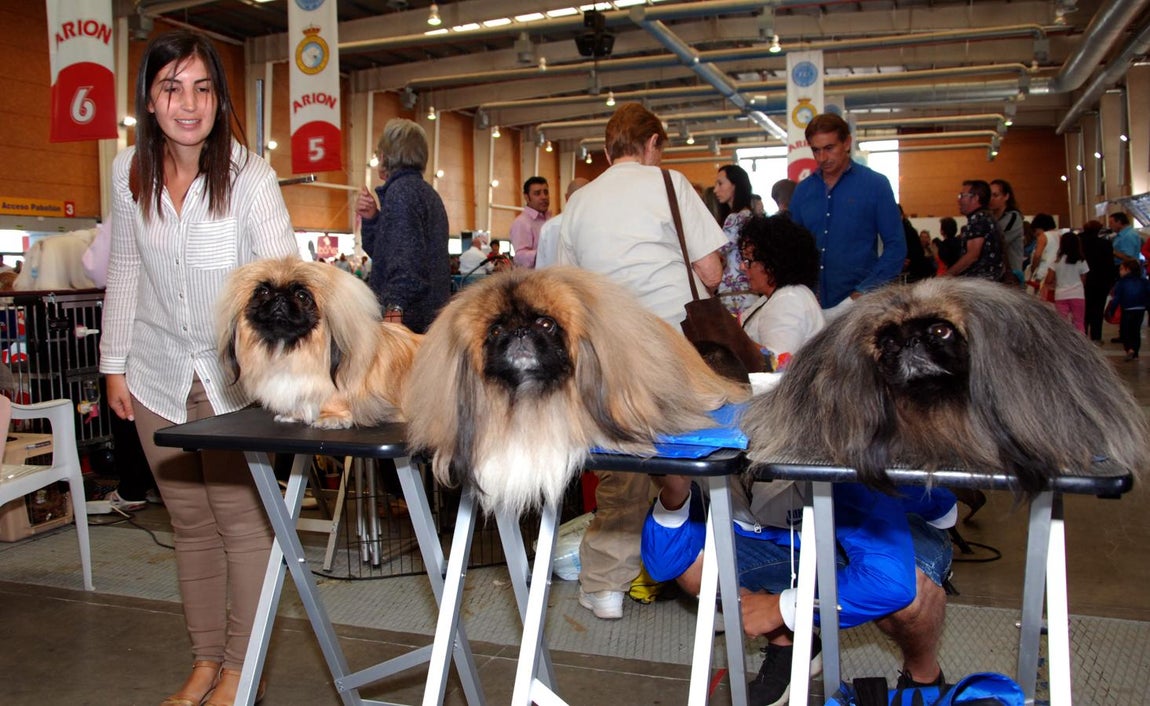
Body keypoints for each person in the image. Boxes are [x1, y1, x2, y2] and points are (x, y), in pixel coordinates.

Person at [100, 30, 300, 706]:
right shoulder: (129, 172)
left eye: (202, 88)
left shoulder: (250, 176)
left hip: (236, 385)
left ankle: (243, 670)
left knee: (243, 528)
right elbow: (125, 272)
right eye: (171, 88)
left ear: (218, 98)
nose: (188, 104)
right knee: (188, 525)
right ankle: (204, 661)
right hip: (156, 374)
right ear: (150, 101)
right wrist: (113, 366)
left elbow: (281, 276)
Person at [556, 102, 726, 620]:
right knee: (695, 458)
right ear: (653, 143)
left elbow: (564, 291)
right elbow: (713, 273)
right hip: (672, 343)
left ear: (609, 150)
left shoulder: (580, 201)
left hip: (609, 349)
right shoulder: (672, 185)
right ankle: (704, 577)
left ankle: (606, 585)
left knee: (621, 468)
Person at [642, 475, 955, 705]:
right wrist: (674, 493)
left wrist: (781, 607)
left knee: (909, 593)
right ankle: (789, 644)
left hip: (893, 519)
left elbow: (890, 582)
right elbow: (664, 564)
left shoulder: (831, 424)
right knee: (697, 563)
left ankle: (924, 677)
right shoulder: (710, 426)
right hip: (784, 533)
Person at [789, 114, 905, 318]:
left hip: (861, 304)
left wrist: (863, 293)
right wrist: (803, 291)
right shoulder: (802, 191)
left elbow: (896, 247)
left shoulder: (875, 185)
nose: (822, 158)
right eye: (816, 150)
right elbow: (793, 250)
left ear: (847, 143)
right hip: (811, 305)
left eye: (829, 148)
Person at [355, 118, 451, 334]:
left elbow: (406, 260)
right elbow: (387, 254)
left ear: (386, 155)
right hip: (426, 314)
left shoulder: (401, 193)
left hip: (408, 318)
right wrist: (372, 219)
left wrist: (394, 306)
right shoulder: (425, 192)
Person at [736, 215, 824, 369]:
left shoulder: (788, 300)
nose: (742, 267)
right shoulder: (774, 296)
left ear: (772, 264)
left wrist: (732, 339)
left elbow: (776, 367)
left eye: (748, 260)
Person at [714, 164, 757, 319]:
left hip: (736, 294)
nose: (715, 190)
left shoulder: (737, 217)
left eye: (720, 183)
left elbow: (718, 250)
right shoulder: (748, 215)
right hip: (746, 291)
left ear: (735, 185)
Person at [944, 180, 1004, 281]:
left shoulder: (978, 219)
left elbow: (972, 255)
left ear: (975, 198)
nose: (959, 200)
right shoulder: (987, 217)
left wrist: (946, 276)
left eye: (962, 196)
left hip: (980, 284)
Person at [535, 177, 589, 269]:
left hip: (551, 282)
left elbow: (540, 268)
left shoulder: (548, 227)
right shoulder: (594, 225)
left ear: (566, 197)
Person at [1044, 230, 1089, 333]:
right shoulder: (1081, 261)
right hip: (1078, 294)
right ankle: (1081, 345)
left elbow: (1049, 279)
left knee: (1062, 324)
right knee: (1079, 322)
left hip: (1061, 295)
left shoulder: (1056, 261)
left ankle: (1064, 345)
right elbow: (1084, 279)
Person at [1080, 220, 1117, 341]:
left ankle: (1082, 333)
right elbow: (1110, 264)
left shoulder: (1080, 243)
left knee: (1084, 309)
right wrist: (1112, 282)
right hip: (1101, 281)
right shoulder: (1105, 244)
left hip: (1083, 280)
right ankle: (1096, 336)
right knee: (1098, 309)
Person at [1106, 260, 1150, 361]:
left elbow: (1116, 299)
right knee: (1136, 331)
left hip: (1127, 309)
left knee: (1125, 331)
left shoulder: (1121, 283)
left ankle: (1129, 349)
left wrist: (1111, 311)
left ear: (1128, 270)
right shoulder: (1144, 281)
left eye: (1121, 269)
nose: (1119, 272)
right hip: (1140, 309)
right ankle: (1136, 353)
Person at [509, 176, 551, 268]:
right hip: (534, 279)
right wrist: (548, 253)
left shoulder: (551, 219)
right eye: (537, 193)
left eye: (546, 192)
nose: (544, 197)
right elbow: (520, 257)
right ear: (527, 197)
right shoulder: (521, 222)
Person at [989, 178, 1025, 283]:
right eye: (989, 195)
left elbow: (1000, 241)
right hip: (995, 276)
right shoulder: (990, 218)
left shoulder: (1013, 217)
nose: (991, 199)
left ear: (1006, 196)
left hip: (1011, 275)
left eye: (995, 195)